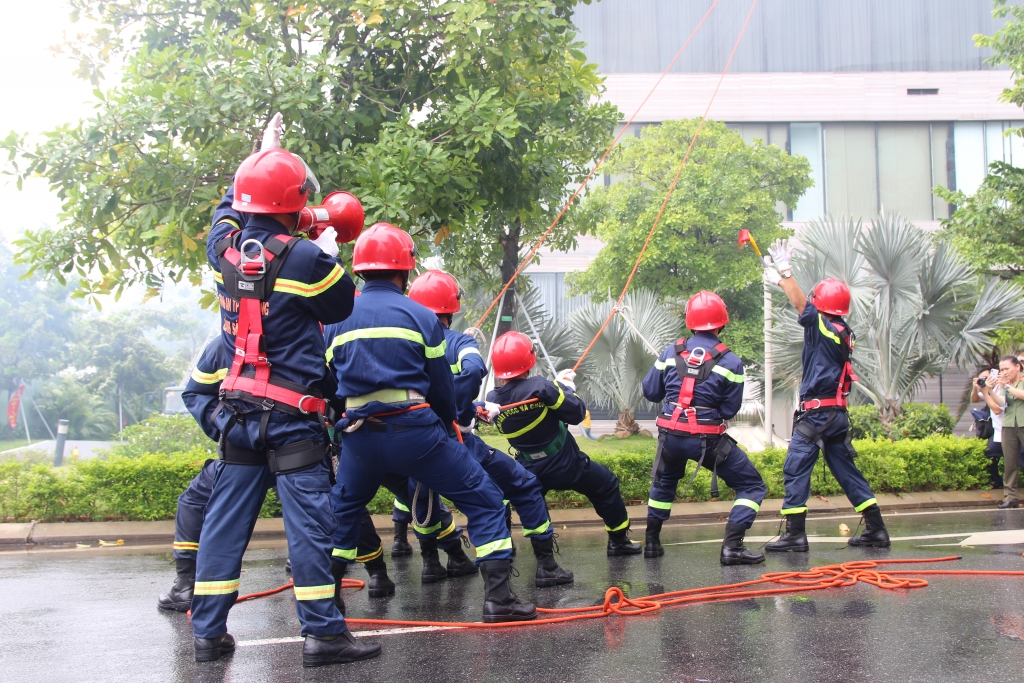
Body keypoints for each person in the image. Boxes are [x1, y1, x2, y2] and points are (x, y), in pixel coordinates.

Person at [183, 117, 381, 667]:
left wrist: (260, 156)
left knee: (224, 526)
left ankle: (207, 634)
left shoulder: (222, 248)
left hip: (237, 413)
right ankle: (322, 634)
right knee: (311, 530)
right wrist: (325, 243)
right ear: (294, 203)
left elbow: (229, 213)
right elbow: (340, 305)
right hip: (292, 418)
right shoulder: (309, 260)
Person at [327, 223, 534, 623]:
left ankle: (328, 606)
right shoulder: (420, 316)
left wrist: (345, 425)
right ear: (404, 270)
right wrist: (448, 426)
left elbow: (327, 385)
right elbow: (441, 387)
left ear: (359, 270)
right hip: (415, 431)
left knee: (344, 511)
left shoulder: (336, 319)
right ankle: (499, 600)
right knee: (485, 497)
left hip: (359, 438)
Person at [408, 270, 573, 587]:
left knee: (423, 498)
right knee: (522, 486)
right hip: (455, 442)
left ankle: (431, 564)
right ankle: (544, 568)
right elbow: (472, 371)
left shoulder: (400, 346)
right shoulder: (459, 342)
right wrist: (461, 413)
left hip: (412, 442)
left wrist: (475, 407)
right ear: (451, 307)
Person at [762, 239, 890, 551]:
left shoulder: (823, 326)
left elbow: (800, 305)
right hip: (836, 416)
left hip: (818, 416)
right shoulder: (843, 330)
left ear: (822, 305)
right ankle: (876, 529)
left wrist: (784, 274)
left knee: (795, 467)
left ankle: (794, 535)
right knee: (847, 472)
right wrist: (781, 278)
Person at [487, 331, 643, 556]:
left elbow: (519, 399)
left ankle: (545, 561)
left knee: (535, 507)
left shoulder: (493, 400)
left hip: (529, 468)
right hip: (567, 464)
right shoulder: (541, 387)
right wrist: (566, 388)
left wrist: (557, 386)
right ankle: (618, 542)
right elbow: (576, 413)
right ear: (529, 360)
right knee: (606, 485)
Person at [640, 290, 768, 565]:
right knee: (752, 485)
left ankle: (651, 543)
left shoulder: (669, 352)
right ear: (722, 323)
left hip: (670, 438)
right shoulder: (731, 361)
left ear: (690, 322)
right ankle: (732, 548)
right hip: (706, 442)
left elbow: (651, 392)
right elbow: (728, 411)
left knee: (663, 484)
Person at [995, 355, 1024, 509]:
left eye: (1007, 368)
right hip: (1009, 424)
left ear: (1018, 367)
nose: (1004, 372)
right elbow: (1001, 403)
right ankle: (1011, 497)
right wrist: (989, 391)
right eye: (1001, 369)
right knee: (1010, 462)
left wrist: (1007, 387)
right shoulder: (1005, 384)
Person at [971, 367, 1004, 491]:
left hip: (1011, 430)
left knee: (1019, 457)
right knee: (990, 454)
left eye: (987, 377)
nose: (985, 380)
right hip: (1000, 432)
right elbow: (974, 399)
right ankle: (998, 481)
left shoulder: (1001, 388)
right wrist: (976, 388)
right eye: (982, 379)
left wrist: (986, 391)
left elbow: (997, 409)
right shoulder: (990, 390)